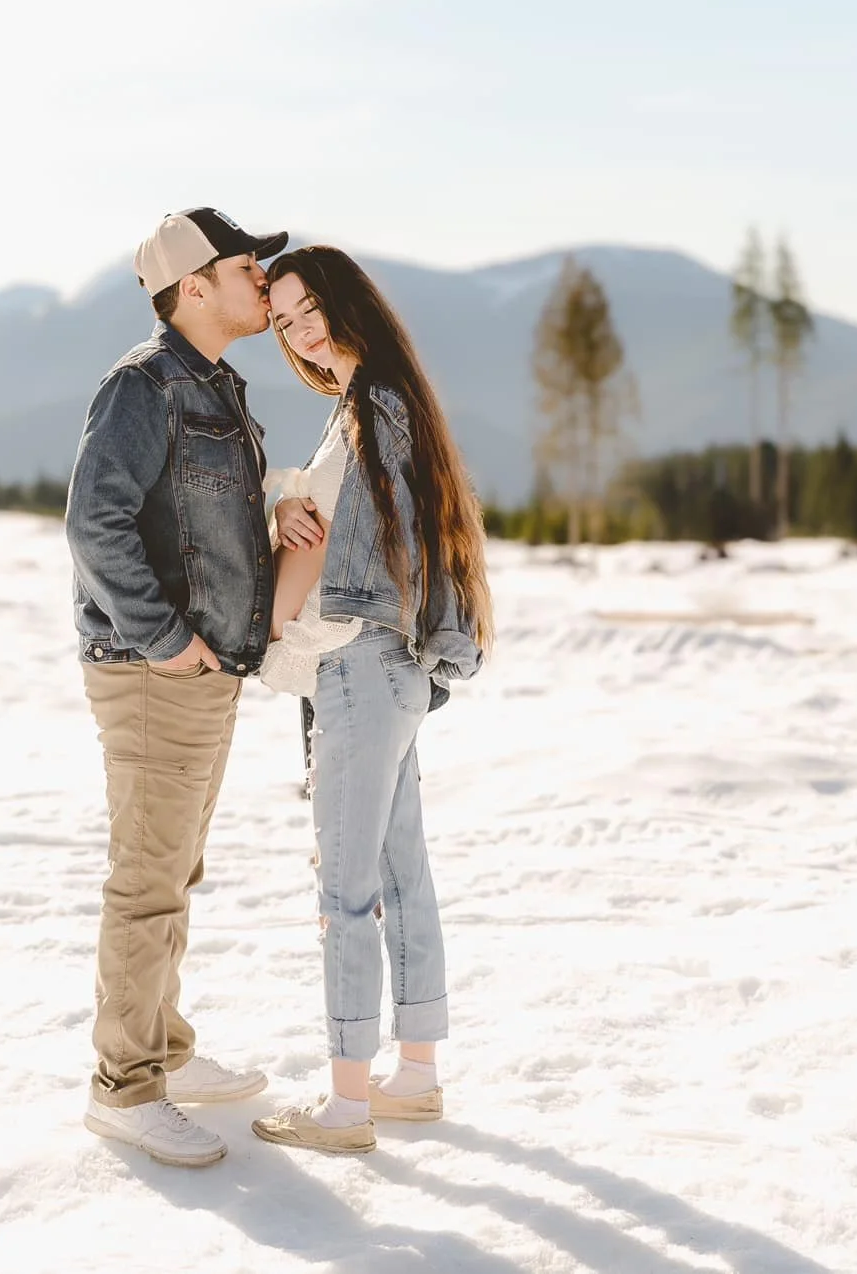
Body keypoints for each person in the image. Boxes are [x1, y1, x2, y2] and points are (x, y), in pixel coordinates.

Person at [248, 245, 494, 1156]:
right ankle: (415, 1075)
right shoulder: (388, 405)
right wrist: (289, 508)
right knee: (400, 870)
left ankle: (348, 1104)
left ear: (345, 301)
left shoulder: (366, 414)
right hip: (393, 667)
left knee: (345, 888)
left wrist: (272, 605)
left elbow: (332, 558)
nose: (300, 329)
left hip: (355, 665)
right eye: (283, 320)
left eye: (309, 307)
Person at [65, 207, 288, 1168]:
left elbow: (203, 534)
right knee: (148, 882)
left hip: (200, 673)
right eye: (247, 269)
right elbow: (94, 524)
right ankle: (124, 1089)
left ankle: (162, 1047)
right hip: (155, 674)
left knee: (174, 873)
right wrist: (164, 641)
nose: (264, 285)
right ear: (193, 288)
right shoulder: (142, 386)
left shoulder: (216, 384)